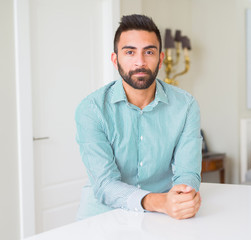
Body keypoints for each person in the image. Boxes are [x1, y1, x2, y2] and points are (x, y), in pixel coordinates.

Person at [75, 14, 202, 220]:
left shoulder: (186, 106)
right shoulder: (91, 109)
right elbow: (105, 184)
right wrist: (160, 202)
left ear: (160, 59)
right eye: (130, 52)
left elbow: (188, 172)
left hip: (163, 216)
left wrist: (183, 197)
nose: (140, 62)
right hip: (102, 216)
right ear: (115, 60)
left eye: (149, 52)